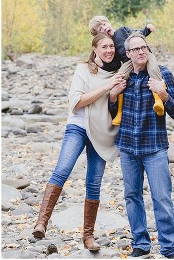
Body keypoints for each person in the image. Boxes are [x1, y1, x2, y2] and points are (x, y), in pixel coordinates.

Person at [32, 33, 126, 252]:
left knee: (94, 182)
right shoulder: (83, 70)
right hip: (78, 127)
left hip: (101, 131)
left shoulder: (117, 73)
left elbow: (136, 52)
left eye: (112, 46)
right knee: (62, 169)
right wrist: (106, 87)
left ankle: (88, 236)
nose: (109, 50)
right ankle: (41, 223)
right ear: (95, 49)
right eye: (104, 46)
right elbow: (77, 102)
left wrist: (113, 94)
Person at [108, 32, 174, 259]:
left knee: (162, 197)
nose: (141, 52)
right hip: (128, 148)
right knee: (132, 196)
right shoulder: (123, 77)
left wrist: (163, 93)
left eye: (144, 48)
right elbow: (112, 114)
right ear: (128, 54)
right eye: (136, 49)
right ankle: (140, 243)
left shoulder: (162, 74)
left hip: (154, 148)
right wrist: (112, 97)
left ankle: (170, 248)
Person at [88, 16, 164, 125]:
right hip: (128, 62)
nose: (104, 28)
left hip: (145, 55)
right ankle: (119, 112)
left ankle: (158, 101)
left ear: (109, 23)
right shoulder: (111, 44)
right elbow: (115, 64)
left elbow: (138, 34)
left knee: (153, 69)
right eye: (100, 29)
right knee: (119, 79)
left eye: (104, 24)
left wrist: (147, 29)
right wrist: (102, 65)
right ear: (100, 35)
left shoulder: (122, 30)